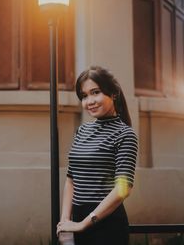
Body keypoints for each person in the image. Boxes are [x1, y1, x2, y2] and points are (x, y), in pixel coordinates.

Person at [57, 66, 138, 245]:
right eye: (84, 96)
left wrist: (84, 224)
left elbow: (123, 189)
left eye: (95, 92)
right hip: (77, 222)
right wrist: (65, 222)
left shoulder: (125, 135)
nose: (89, 101)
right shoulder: (82, 131)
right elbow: (71, 179)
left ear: (113, 94)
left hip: (107, 226)